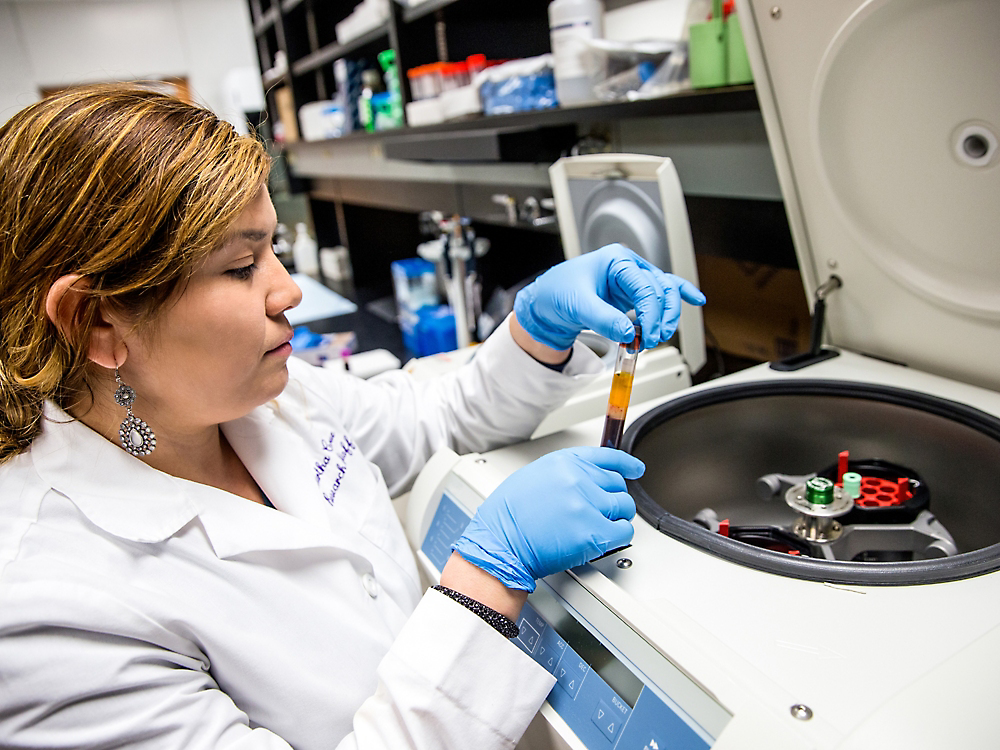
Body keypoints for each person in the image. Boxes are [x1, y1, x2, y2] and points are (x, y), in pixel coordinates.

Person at [0, 85, 705, 750]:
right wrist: (487, 584)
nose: (287, 291)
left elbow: (431, 421)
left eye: (273, 247)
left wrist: (536, 329)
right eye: (242, 266)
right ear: (97, 322)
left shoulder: (256, 394)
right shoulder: (49, 614)